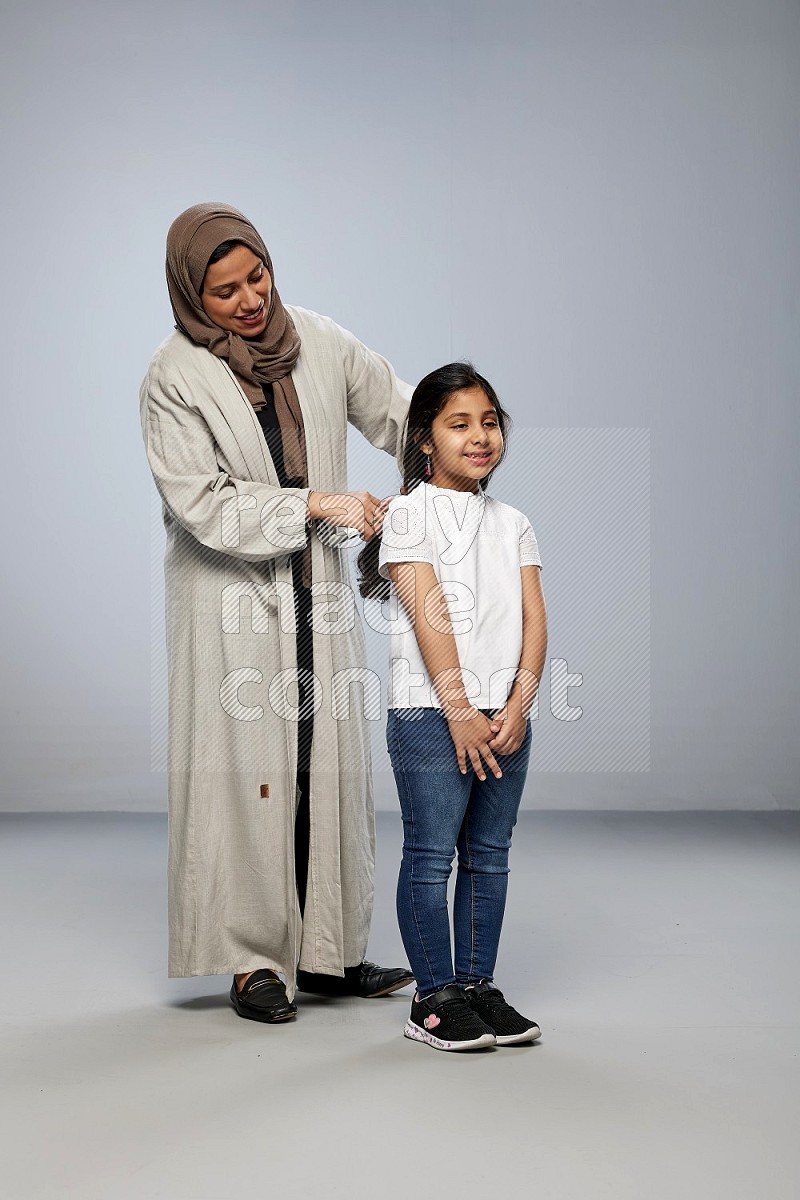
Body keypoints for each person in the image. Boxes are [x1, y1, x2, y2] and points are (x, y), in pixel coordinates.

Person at [140, 201, 415, 1023]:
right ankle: (251, 962)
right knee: (244, 772)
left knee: (321, 763)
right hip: (229, 597)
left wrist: (448, 450)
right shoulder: (173, 378)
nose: (250, 299)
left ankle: (326, 952)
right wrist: (315, 504)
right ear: (192, 295)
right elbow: (205, 503)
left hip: (317, 589)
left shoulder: (321, 342)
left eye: (256, 275)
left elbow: (401, 414)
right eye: (224, 291)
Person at [357, 362, 548, 1051]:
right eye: (458, 424)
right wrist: (460, 706)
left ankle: (475, 985)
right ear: (425, 441)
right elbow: (428, 610)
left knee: (489, 854)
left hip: (505, 717)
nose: (479, 436)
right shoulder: (410, 514)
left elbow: (534, 618)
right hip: (433, 715)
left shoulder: (514, 522)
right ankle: (432, 998)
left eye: (490, 422)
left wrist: (520, 702)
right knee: (433, 854)